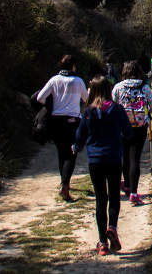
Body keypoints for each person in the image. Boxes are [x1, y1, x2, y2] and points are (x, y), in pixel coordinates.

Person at [73, 75, 132, 256]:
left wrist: (76, 146)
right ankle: (112, 227)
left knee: (101, 199)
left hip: (95, 161)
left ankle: (102, 243)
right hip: (114, 158)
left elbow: (80, 136)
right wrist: (122, 142)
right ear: (108, 90)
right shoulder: (117, 109)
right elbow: (128, 132)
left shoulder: (89, 112)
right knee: (114, 196)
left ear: (93, 91)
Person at [35, 54, 88, 201]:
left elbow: (40, 97)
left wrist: (51, 104)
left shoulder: (54, 79)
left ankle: (64, 182)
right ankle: (65, 185)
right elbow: (86, 99)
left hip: (56, 121)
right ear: (73, 66)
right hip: (72, 120)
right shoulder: (78, 81)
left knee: (61, 152)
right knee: (71, 153)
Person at [112, 61, 152, 206]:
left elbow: (111, 106)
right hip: (139, 127)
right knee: (135, 158)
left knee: (124, 156)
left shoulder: (118, 87)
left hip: (122, 126)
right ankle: (133, 192)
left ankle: (126, 185)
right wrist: (148, 115)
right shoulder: (144, 87)